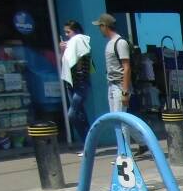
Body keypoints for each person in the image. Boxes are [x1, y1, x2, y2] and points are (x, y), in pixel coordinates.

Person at [92, 13, 142, 155]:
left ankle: (125, 154)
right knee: (119, 118)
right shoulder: (110, 43)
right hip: (112, 85)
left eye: (100, 26)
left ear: (105, 26)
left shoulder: (120, 43)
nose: (99, 29)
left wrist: (125, 92)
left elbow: (126, 67)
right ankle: (142, 142)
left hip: (120, 86)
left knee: (119, 120)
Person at [59, 20, 91, 154]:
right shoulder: (71, 44)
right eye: (65, 32)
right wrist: (63, 50)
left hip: (80, 84)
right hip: (70, 84)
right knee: (80, 115)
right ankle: (88, 145)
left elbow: (81, 59)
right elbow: (65, 62)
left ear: (76, 31)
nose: (66, 35)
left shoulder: (79, 40)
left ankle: (89, 143)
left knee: (72, 114)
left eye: (68, 32)